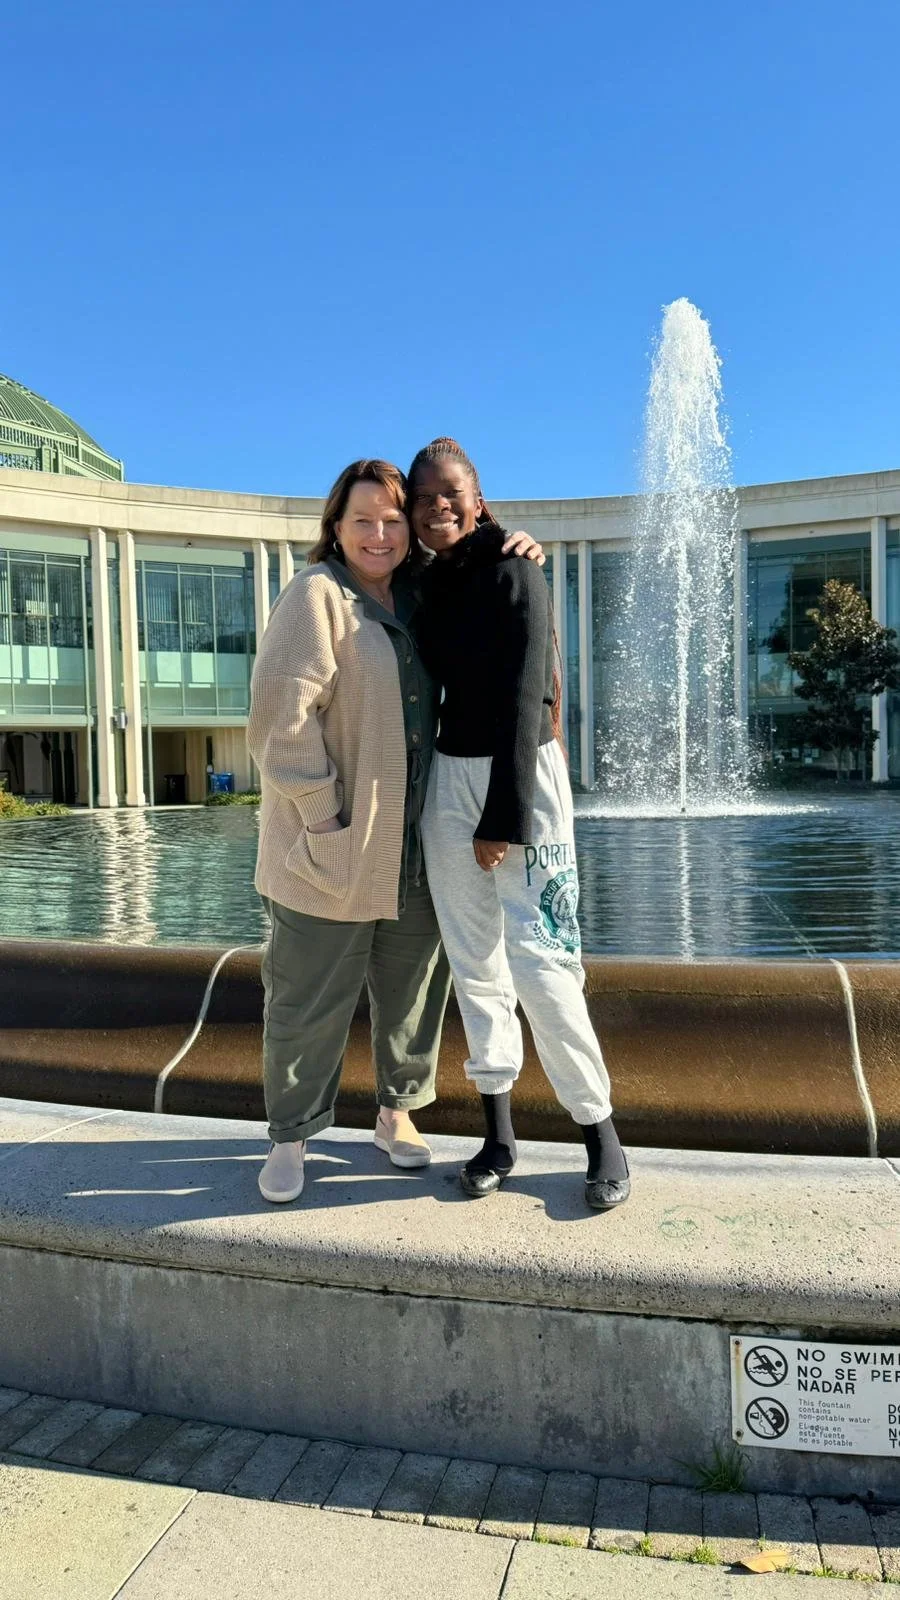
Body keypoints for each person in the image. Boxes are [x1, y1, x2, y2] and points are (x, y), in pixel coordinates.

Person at [248, 457, 543, 1204]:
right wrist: (325, 821)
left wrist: (517, 543)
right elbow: (279, 727)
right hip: (328, 849)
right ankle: (290, 1137)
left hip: (414, 843)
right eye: (362, 521)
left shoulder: (421, 592)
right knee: (306, 1001)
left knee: (412, 990)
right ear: (336, 529)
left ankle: (396, 1113)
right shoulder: (315, 598)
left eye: (391, 519)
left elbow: (492, 602)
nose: (380, 534)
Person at [411, 438, 631, 1211]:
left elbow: (528, 695)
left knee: (544, 964)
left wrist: (501, 816)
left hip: (524, 776)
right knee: (475, 965)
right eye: (422, 496)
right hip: (450, 777)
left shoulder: (517, 567)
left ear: (477, 499)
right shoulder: (425, 583)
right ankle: (498, 1136)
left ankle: (601, 1136)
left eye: (449, 493)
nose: (435, 505)